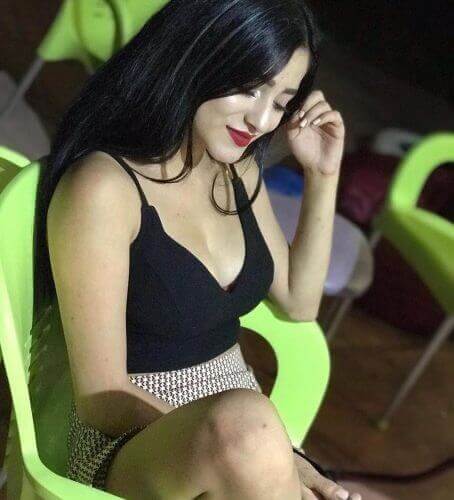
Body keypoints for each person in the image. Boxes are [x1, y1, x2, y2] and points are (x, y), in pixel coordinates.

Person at [33, 0, 360, 498]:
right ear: (196, 57)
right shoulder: (103, 189)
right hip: (129, 442)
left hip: (246, 439)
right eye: (249, 87)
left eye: (281, 101)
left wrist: (322, 174)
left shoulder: (237, 170)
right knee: (249, 429)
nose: (261, 119)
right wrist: (264, 452)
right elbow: (102, 398)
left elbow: (299, 301)